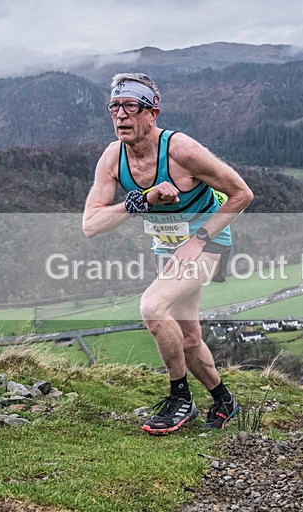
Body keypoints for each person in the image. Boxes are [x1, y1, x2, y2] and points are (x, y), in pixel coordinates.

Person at [82, 73, 253, 434]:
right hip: (166, 246)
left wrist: (199, 240)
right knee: (188, 337)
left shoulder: (181, 151)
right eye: (114, 106)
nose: (120, 115)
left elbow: (242, 194)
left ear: (152, 113)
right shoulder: (113, 158)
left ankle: (181, 398)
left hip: (207, 243)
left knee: (152, 308)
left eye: (131, 106)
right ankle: (224, 401)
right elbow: (91, 224)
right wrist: (142, 200)